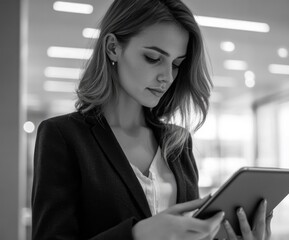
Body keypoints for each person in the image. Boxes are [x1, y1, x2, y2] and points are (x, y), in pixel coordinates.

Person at [31, 0, 273, 239]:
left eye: (177, 64)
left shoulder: (178, 142)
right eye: (153, 58)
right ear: (113, 47)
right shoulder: (62, 136)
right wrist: (136, 235)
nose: (167, 77)